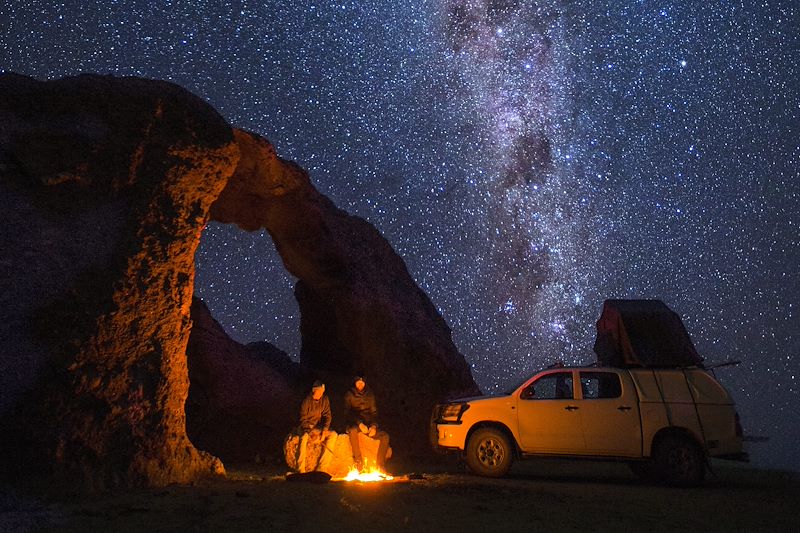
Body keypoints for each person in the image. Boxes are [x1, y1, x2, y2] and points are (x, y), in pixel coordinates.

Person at [344, 375, 390, 471]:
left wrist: (373, 426)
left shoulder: (370, 394)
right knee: (352, 431)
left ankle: (380, 465)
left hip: (368, 424)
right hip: (356, 424)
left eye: (362, 382)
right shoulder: (349, 394)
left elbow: (374, 413)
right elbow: (348, 413)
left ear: (365, 383)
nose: (360, 384)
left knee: (385, 436)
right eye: (358, 382)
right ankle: (359, 462)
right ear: (355, 383)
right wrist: (359, 424)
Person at [296, 380, 337, 473]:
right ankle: (300, 469)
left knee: (333, 435)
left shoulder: (325, 399)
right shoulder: (306, 400)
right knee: (304, 438)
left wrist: (325, 430)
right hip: (306, 427)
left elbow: (327, 416)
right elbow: (302, 419)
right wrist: (309, 432)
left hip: (317, 427)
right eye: (319, 391)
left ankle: (322, 468)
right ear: (314, 390)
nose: (321, 393)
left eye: (322, 391)